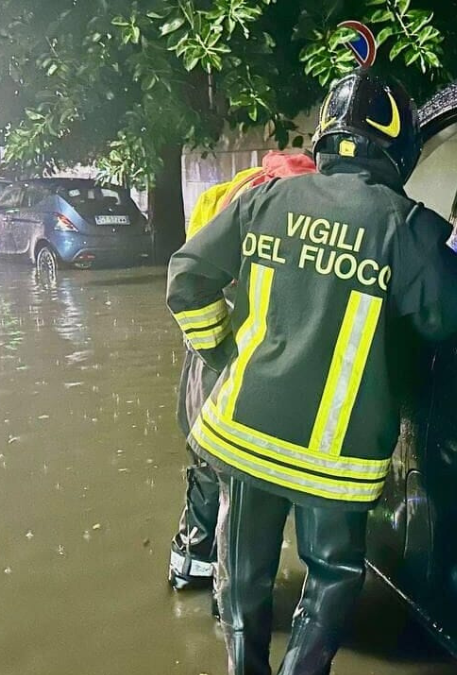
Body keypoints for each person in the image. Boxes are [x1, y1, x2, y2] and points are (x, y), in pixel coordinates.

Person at [166, 70, 457, 675]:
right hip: (334, 455)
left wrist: (227, 356)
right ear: (399, 147)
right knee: (332, 578)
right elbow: (444, 318)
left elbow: (187, 279)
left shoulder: (264, 197)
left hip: (243, 432)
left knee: (242, 576)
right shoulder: (406, 226)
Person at [168, 151, 317, 593]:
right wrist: (225, 357)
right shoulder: (282, 211)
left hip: (210, 348)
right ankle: (223, 590)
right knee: (231, 482)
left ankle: (189, 567)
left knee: (207, 469)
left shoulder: (240, 200)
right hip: (226, 359)